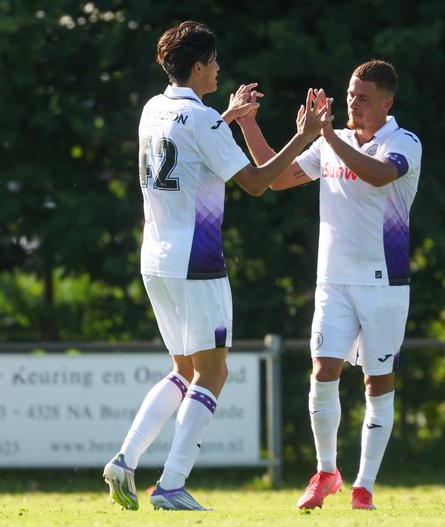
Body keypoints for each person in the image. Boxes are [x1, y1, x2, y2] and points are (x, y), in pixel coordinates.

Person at [102, 20, 330, 511]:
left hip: (155, 259)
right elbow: (256, 183)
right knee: (214, 371)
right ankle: (170, 484)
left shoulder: (153, 109)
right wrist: (304, 136)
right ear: (200, 66)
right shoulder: (203, 120)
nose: (220, 69)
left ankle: (125, 459)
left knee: (184, 369)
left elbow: (189, 146)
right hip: (196, 259)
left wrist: (226, 118)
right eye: (215, 63)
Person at [237, 60, 422, 510]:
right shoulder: (329, 144)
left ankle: (365, 485)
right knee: (322, 373)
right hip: (333, 281)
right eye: (351, 95)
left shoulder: (404, 142)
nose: (353, 104)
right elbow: (274, 176)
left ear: (386, 102)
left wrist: (328, 136)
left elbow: (378, 175)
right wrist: (248, 123)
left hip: (384, 283)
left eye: (362, 97)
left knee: (378, 383)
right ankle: (326, 472)